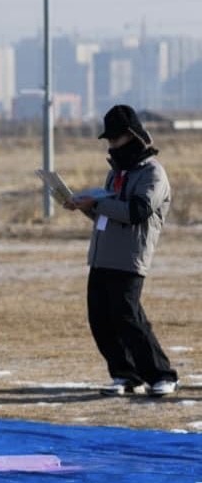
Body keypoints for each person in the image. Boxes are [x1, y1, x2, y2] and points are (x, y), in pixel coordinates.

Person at [63, 104, 179, 397]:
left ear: (132, 136)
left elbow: (137, 211)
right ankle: (125, 375)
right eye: (109, 140)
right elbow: (106, 215)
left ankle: (162, 375)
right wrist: (83, 207)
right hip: (102, 256)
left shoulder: (153, 173)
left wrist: (97, 203)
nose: (112, 145)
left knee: (128, 318)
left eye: (116, 139)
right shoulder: (115, 174)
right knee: (101, 319)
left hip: (129, 258)